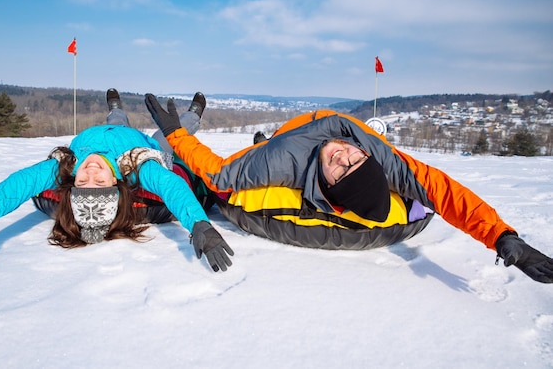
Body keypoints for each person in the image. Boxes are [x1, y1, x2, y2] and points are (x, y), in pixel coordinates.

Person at [145, 93, 553, 283]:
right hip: (317, 126)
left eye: (342, 169)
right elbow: (442, 190)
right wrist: (500, 233)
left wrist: (175, 134)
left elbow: (217, 175)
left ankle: (238, 135)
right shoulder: (373, 153)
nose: (342, 154)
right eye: (354, 160)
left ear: (327, 189)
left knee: (241, 165)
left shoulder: (280, 162)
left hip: (283, 141)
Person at [0, 89, 233, 272]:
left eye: (82, 183)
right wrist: (199, 224)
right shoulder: (135, 166)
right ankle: (195, 113)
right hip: (146, 142)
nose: (90, 172)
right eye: (99, 183)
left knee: (115, 120)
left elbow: (22, 182)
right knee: (174, 132)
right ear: (115, 186)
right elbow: (172, 187)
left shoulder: (69, 165)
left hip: (103, 132)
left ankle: (115, 108)